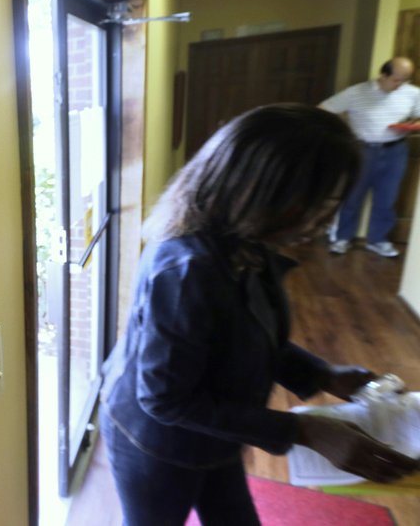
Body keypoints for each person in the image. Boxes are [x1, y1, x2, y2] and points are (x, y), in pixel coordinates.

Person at [98, 103, 419, 526]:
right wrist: (304, 431)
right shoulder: (188, 270)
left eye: (334, 204)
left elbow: (245, 336)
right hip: (158, 445)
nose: (325, 222)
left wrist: (325, 374)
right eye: (318, 204)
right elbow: (165, 399)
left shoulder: (250, 245)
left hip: (217, 432)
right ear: (258, 188)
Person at [321, 57, 420, 257]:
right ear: (383, 74)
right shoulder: (356, 92)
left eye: (405, 80)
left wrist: (411, 125)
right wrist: (341, 133)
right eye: (396, 79)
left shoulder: (413, 93)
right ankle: (342, 238)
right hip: (361, 150)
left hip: (396, 151)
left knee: (387, 198)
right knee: (353, 196)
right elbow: (324, 109)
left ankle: (378, 240)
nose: (400, 84)